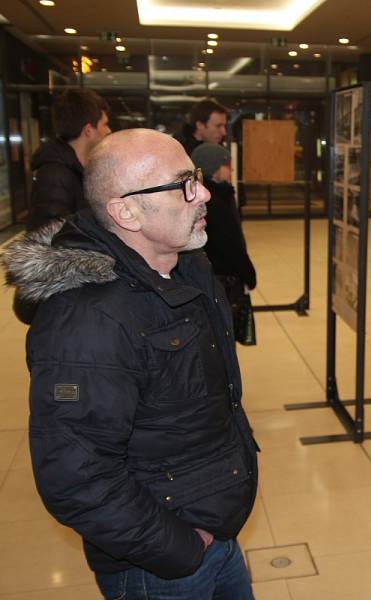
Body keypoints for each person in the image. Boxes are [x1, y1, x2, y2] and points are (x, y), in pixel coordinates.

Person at [2, 129, 259, 599]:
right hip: (160, 562)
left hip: (214, 524)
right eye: (183, 184)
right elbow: (74, 477)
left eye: (197, 178)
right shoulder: (86, 319)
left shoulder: (188, 263)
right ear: (125, 211)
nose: (203, 193)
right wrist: (181, 547)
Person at [190, 143, 257, 330]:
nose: (232, 169)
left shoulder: (219, 196)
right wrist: (249, 274)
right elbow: (231, 245)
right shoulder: (215, 203)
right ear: (214, 169)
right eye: (227, 164)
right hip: (223, 280)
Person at [27, 88, 111, 231]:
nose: (108, 131)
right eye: (104, 124)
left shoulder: (81, 167)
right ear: (88, 130)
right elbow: (47, 235)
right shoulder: (54, 175)